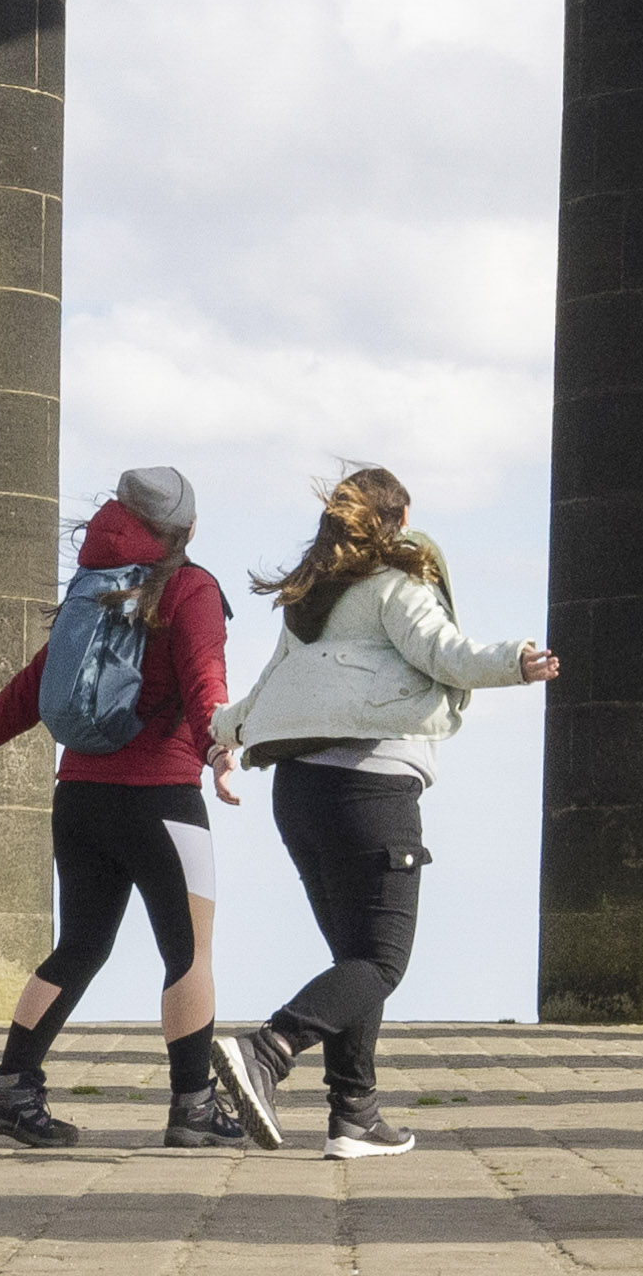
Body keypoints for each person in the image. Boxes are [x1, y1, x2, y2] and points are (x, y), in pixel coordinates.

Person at [0, 461, 272, 1147]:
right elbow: (204, 682)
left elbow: (34, 686)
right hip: (160, 801)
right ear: (188, 529)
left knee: (79, 946)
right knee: (189, 955)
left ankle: (11, 1087)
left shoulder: (93, 590)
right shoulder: (189, 588)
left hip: (80, 799)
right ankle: (192, 1106)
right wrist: (219, 752)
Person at [213, 459, 553, 1157]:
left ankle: (354, 1115)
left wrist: (221, 736)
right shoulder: (397, 589)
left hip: (298, 795)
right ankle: (269, 1051)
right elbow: (446, 654)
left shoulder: (309, 602)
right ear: (397, 524)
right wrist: (516, 661)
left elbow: (266, 691)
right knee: (382, 962)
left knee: (353, 958)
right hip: (371, 789)